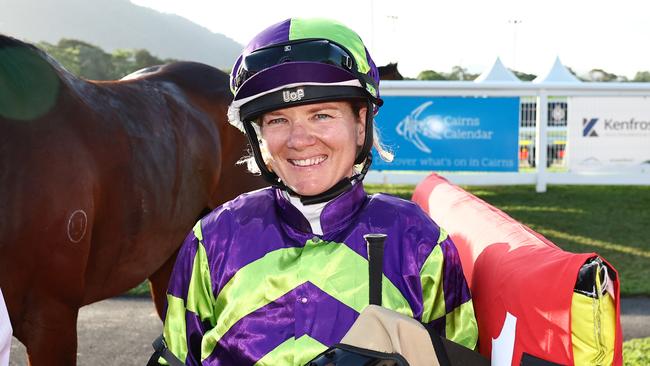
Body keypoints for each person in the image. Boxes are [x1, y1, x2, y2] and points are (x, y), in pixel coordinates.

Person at [160, 17, 478, 365]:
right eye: (278, 120)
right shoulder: (212, 238)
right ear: (259, 136)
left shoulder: (420, 240)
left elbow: (458, 353)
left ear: (360, 124)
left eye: (321, 115)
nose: (299, 140)